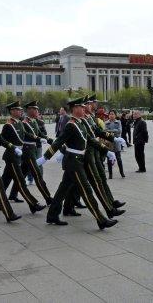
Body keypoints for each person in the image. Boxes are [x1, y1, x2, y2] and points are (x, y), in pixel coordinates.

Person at [37, 97, 118, 230]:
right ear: (75, 109)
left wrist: (107, 150)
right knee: (86, 190)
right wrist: (46, 157)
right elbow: (59, 141)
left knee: (63, 189)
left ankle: (52, 215)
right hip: (73, 161)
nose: (84, 108)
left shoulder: (81, 123)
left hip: (77, 160)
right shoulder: (71, 125)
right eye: (81, 107)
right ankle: (101, 219)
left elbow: (91, 140)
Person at [0, 101, 46, 214]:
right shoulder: (8, 125)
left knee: (5, 180)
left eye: (21, 109)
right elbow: (1, 140)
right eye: (18, 110)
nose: (21, 111)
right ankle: (33, 204)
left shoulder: (19, 123)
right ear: (12, 111)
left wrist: (39, 139)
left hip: (18, 155)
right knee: (21, 181)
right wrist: (12, 147)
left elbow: (26, 134)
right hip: (11, 156)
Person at [9, 101, 53, 205]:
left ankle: (13, 194)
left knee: (23, 173)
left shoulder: (33, 121)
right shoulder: (24, 122)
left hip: (32, 149)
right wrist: (38, 138)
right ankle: (48, 198)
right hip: (27, 151)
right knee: (37, 175)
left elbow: (40, 133)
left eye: (37, 109)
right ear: (29, 110)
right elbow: (28, 135)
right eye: (35, 109)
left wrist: (49, 139)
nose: (37, 111)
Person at [105, 110, 125, 178]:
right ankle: (110, 174)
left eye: (113, 114)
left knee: (119, 158)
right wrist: (113, 132)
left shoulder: (118, 122)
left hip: (117, 142)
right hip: (109, 143)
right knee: (109, 159)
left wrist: (109, 131)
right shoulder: (106, 123)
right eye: (110, 114)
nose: (111, 115)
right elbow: (105, 132)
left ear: (115, 115)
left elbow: (119, 131)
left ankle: (122, 173)